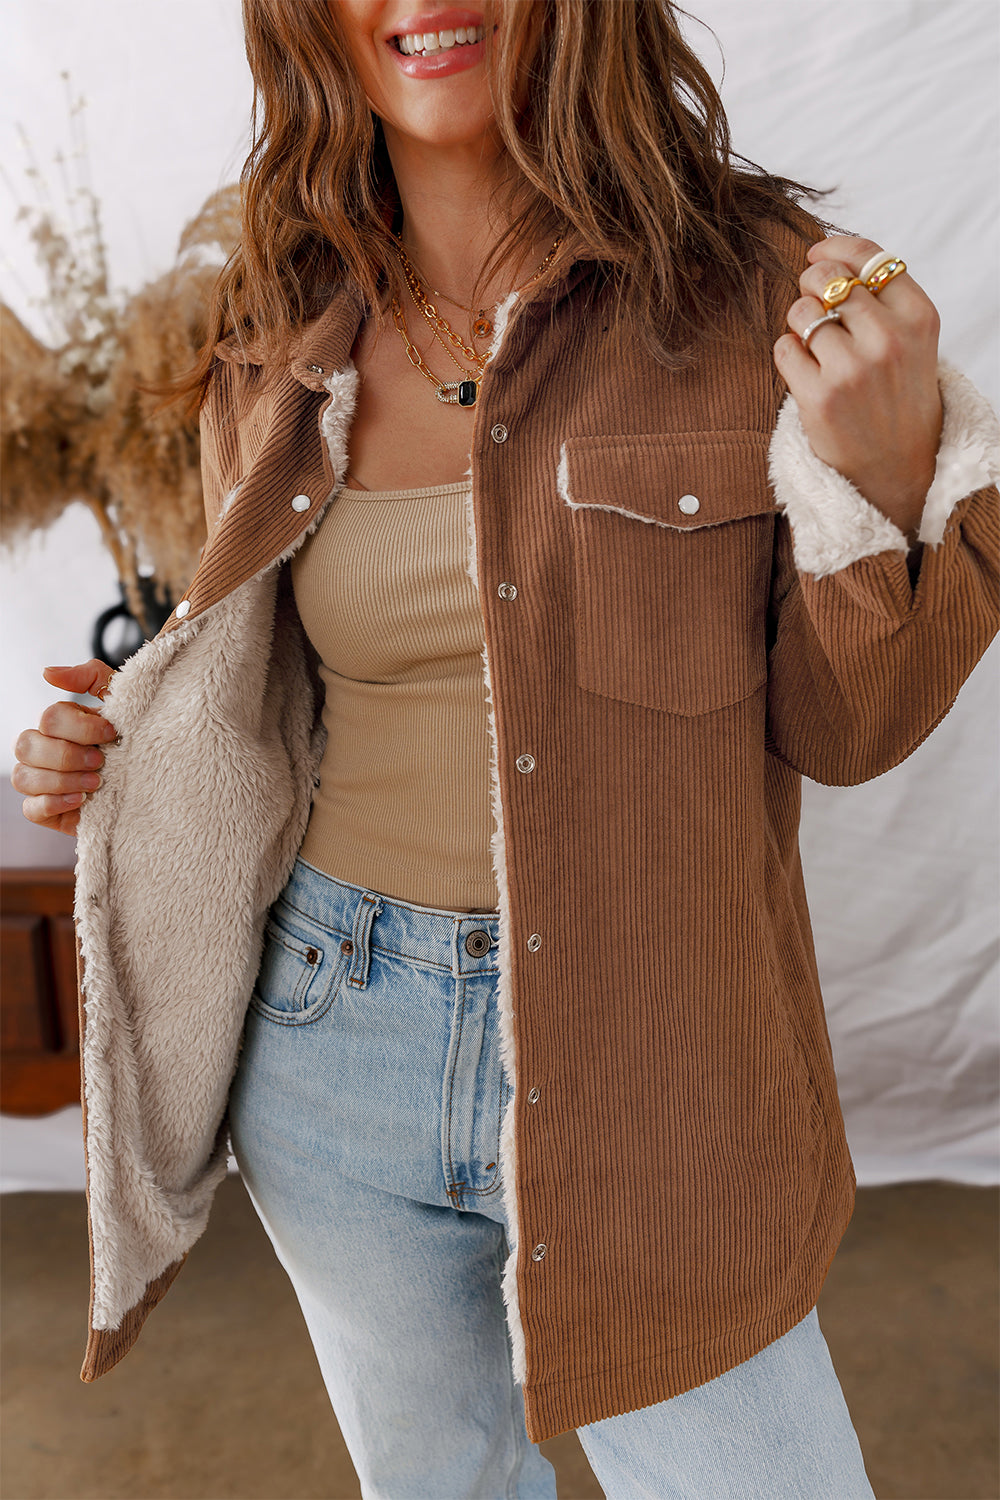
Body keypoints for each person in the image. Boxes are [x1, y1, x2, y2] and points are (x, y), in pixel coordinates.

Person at [11, 2, 998, 1496]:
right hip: (328, 1036)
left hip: (656, 1055)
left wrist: (887, 472)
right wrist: (115, 747)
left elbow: (848, 730)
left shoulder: (764, 291)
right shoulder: (271, 320)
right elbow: (262, 694)